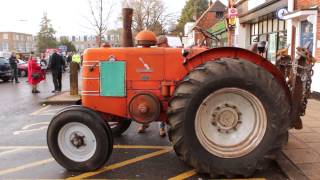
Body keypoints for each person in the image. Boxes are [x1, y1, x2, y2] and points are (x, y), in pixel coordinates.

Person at [138, 35, 169, 137]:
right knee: (147, 101)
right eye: (158, 45)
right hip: (154, 80)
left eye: (160, 44)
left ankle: (161, 128)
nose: (158, 46)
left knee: (163, 105)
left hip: (165, 81)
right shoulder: (156, 53)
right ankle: (144, 124)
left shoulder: (171, 52)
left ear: (165, 43)